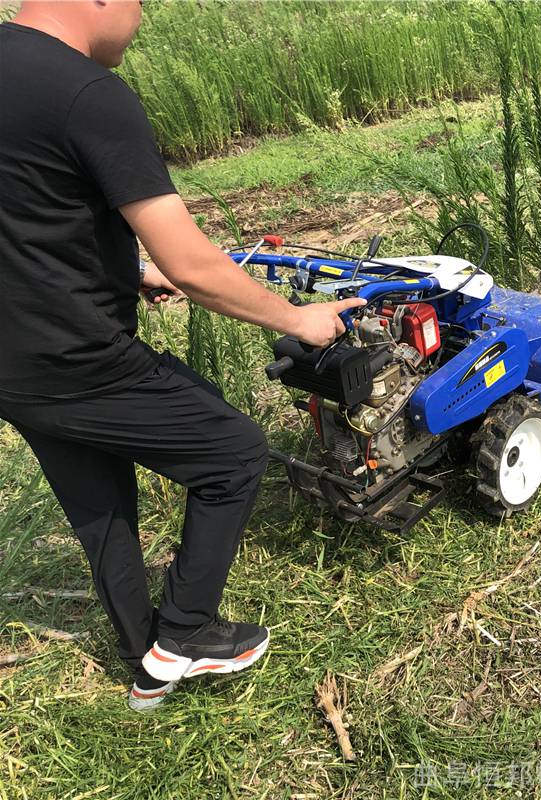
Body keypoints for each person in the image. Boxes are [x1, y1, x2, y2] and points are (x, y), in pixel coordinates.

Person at [0, 0, 364, 712]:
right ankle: (190, 632)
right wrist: (299, 318)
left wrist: (121, 273)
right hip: (80, 360)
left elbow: (27, 215)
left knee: (100, 506)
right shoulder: (88, 94)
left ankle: (148, 666)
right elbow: (193, 264)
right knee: (232, 452)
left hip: (13, 368)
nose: (141, 18)